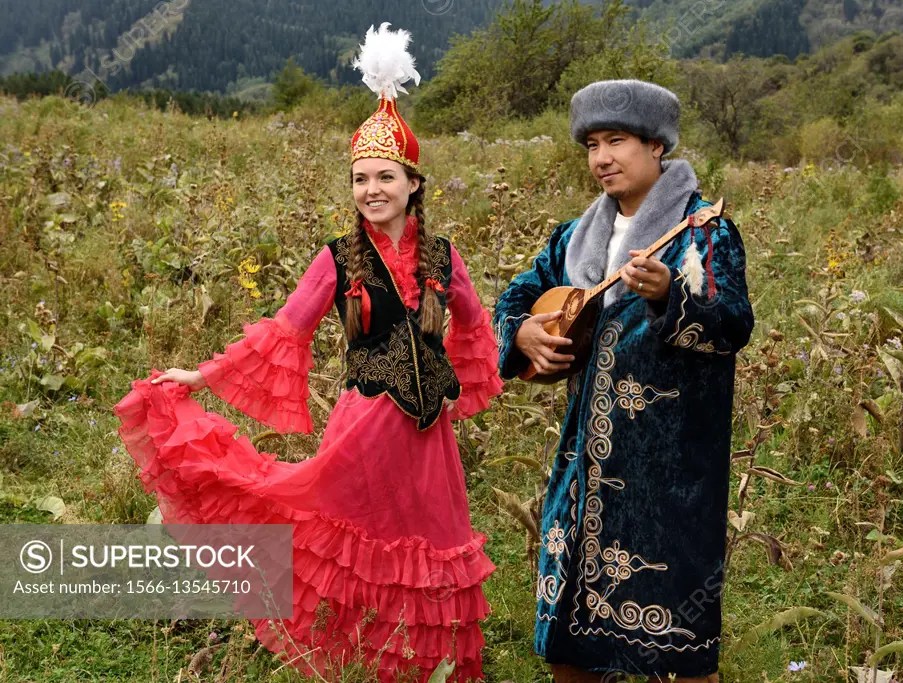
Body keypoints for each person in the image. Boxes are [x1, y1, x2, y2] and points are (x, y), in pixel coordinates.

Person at [114, 25, 502, 683]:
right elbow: (284, 331)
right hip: (364, 430)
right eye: (359, 179)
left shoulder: (444, 257)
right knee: (348, 544)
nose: (371, 189)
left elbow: (476, 328)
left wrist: (457, 378)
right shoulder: (338, 258)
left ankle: (423, 664)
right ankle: (355, 660)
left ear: (414, 183)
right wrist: (202, 374)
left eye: (385, 176)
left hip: (430, 443)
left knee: (430, 549)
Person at [494, 80, 755, 682]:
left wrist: (672, 296)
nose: (602, 158)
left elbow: (733, 325)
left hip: (671, 477)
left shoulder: (703, 233)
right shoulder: (573, 238)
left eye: (618, 141)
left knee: (680, 650)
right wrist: (524, 336)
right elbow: (512, 304)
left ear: (657, 147)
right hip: (585, 469)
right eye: (591, 144)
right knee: (570, 647)